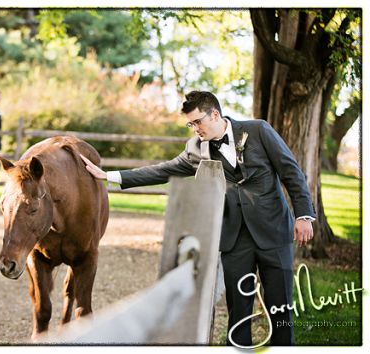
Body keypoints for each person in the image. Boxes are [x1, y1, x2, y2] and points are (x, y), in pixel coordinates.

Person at [81, 91, 315, 346]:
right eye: (190, 124)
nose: (195, 129)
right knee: (238, 313)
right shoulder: (196, 149)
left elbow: (291, 172)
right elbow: (162, 170)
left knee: (280, 309)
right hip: (234, 240)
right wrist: (110, 176)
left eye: (197, 122)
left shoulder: (258, 131)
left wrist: (304, 216)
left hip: (274, 232)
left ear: (215, 114)